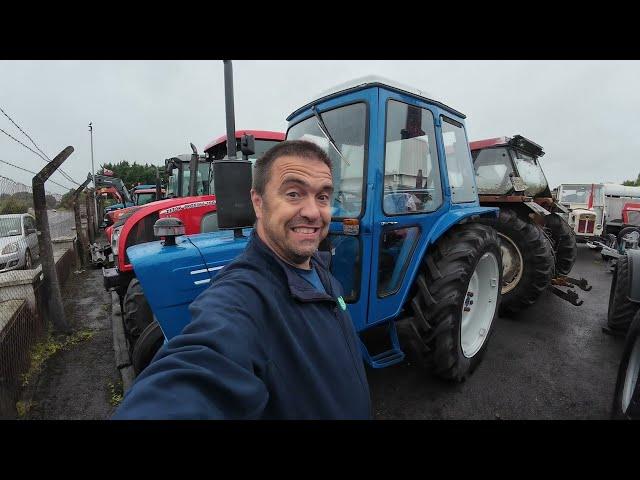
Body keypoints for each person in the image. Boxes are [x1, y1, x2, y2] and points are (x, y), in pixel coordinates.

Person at [112, 140, 372, 420]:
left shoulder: (323, 272)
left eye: (322, 197)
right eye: (294, 193)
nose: (313, 211)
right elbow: (201, 369)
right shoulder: (243, 299)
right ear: (258, 203)